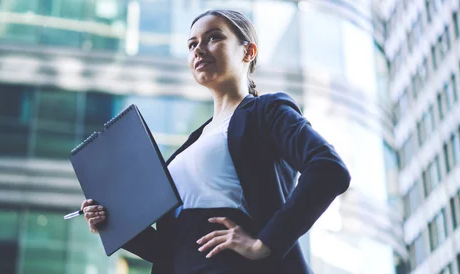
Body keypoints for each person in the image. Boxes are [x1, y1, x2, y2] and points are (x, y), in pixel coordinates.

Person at [80, 9, 351, 274]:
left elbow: (328, 169)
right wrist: (111, 223)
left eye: (213, 38)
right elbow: (169, 249)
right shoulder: (188, 147)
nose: (198, 49)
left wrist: (265, 243)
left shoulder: (266, 111)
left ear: (248, 52)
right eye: (192, 44)